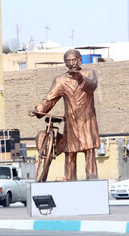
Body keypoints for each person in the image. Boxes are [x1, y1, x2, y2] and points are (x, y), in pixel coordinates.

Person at [29, 49, 100, 181]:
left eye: (74, 60)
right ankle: (69, 176)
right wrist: (38, 109)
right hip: (71, 121)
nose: (72, 63)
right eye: (68, 61)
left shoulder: (89, 73)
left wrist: (81, 78)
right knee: (70, 151)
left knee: (89, 149)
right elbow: (50, 98)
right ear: (65, 63)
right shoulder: (60, 80)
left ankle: (92, 176)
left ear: (80, 60)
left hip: (87, 119)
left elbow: (92, 86)